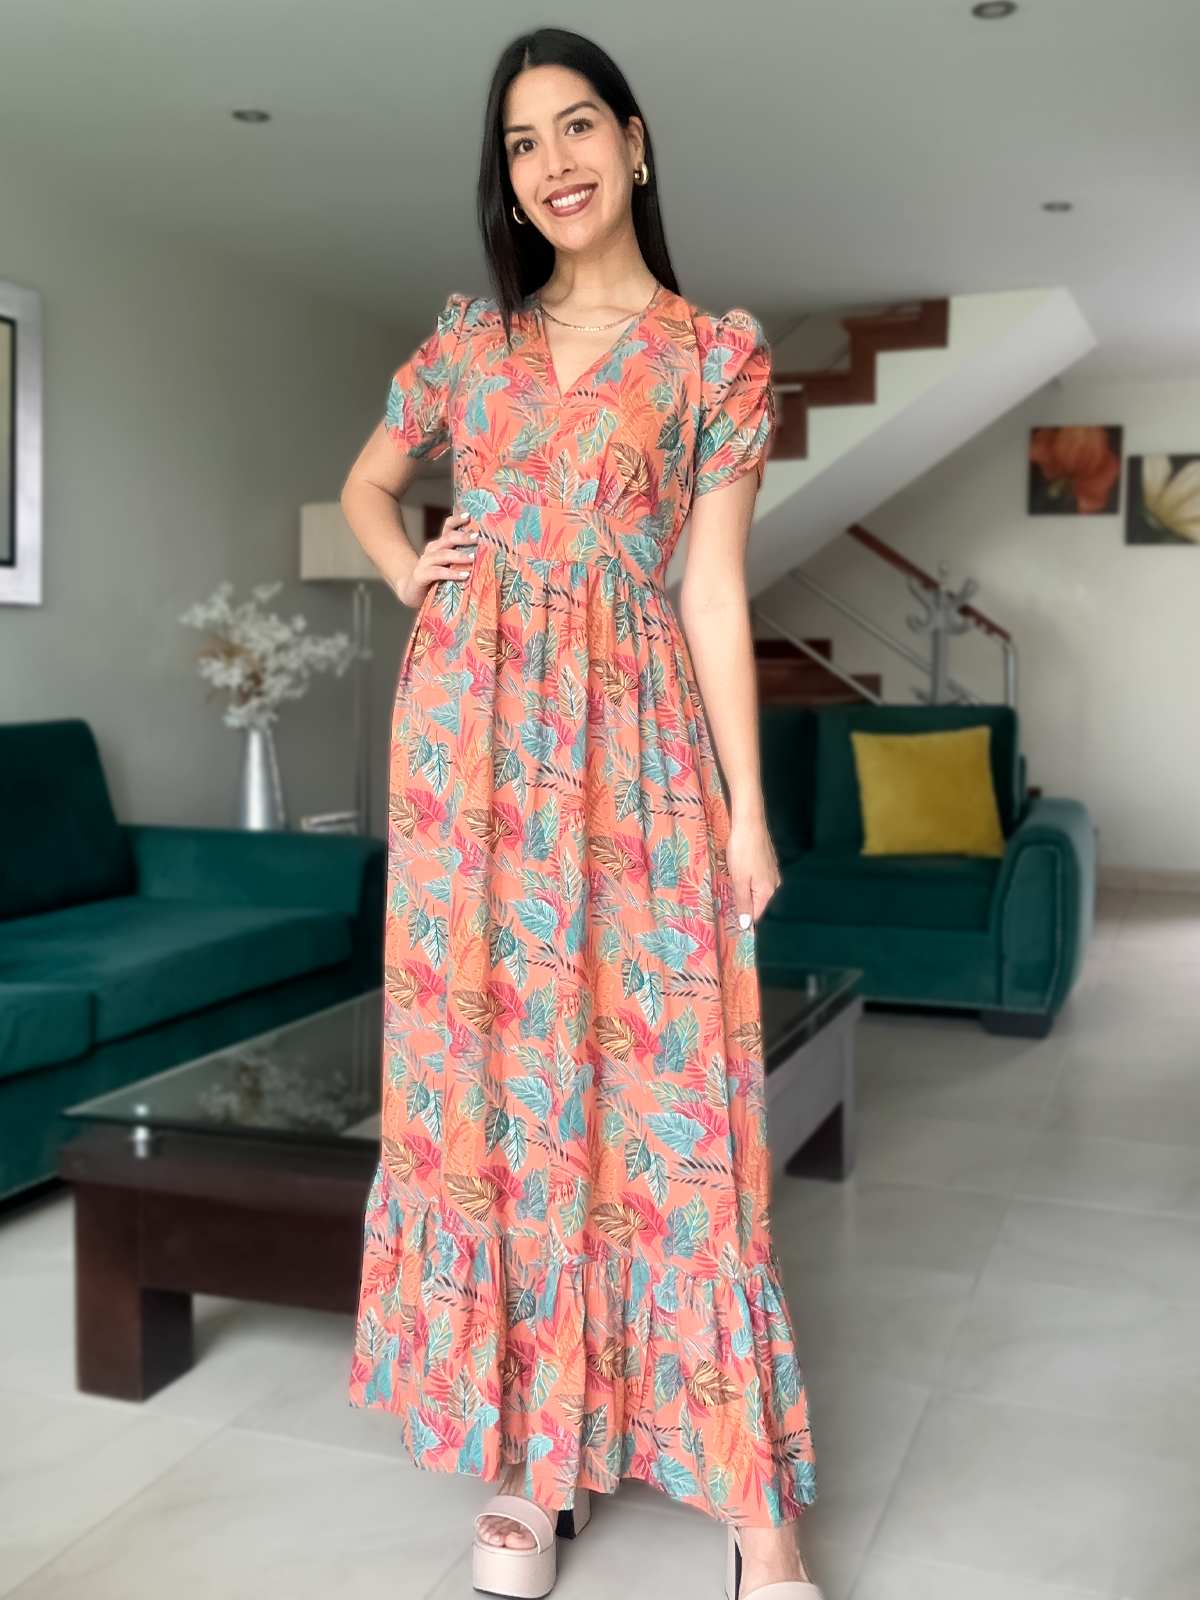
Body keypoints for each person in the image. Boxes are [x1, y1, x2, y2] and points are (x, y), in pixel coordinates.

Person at [341, 28, 819, 1600]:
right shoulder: (467, 344)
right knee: (500, 1094)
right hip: (468, 751)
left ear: (636, 140)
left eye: (576, 126)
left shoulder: (711, 357)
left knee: (679, 1099)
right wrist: (414, 571)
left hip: (634, 743)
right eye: (522, 142)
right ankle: (531, 1465)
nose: (552, 162)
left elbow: (714, 588)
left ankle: (753, 1503)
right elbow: (365, 485)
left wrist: (747, 812)